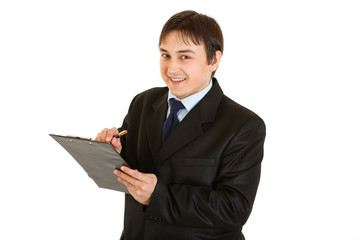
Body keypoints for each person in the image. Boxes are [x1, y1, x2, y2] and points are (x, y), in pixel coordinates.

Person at [95, 10, 266, 240]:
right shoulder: (143, 103)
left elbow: (233, 209)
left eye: (185, 57)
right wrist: (112, 153)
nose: (172, 68)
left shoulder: (243, 125)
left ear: (213, 60)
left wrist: (158, 196)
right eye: (165, 55)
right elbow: (131, 172)